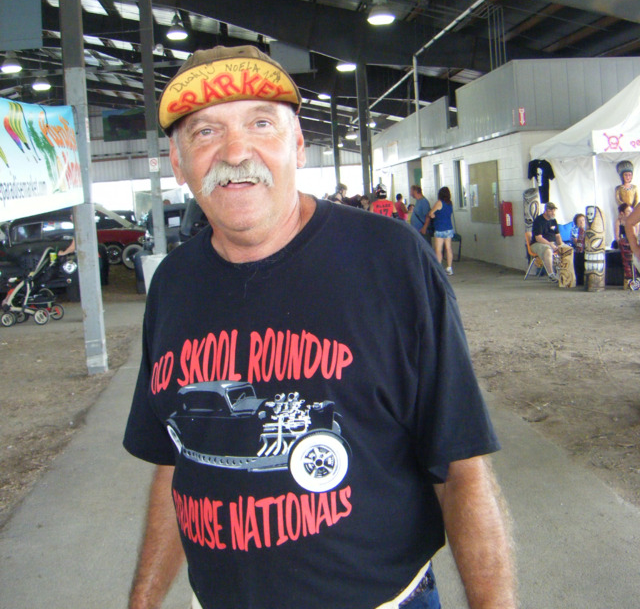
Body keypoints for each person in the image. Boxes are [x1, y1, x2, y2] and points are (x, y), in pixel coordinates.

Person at [123, 45, 516, 609]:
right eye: (206, 132)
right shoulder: (173, 283)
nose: (236, 152)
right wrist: (142, 601)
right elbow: (176, 464)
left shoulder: (391, 259)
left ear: (299, 145)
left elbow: (461, 466)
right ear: (178, 163)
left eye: (261, 123)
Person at [530, 201, 563, 282]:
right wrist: (551, 245)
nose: (553, 213)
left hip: (553, 243)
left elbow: (558, 236)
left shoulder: (554, 221)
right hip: (538, 243)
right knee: (548, 250)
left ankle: (565, 274)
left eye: (554, 210)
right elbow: (538, 238)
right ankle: (551, 274)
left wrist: (561, 245)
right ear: (545, 211)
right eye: (550, 211)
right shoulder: (538, 220)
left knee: (568, 249)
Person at [429, 186, 455, 276]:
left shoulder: (439, 203)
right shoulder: (450, 203)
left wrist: (433, 216)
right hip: (449, 228)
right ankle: (449, 267)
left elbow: (431, 213)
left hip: (440, 228)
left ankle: (439, 268)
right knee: (448, 248)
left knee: (438, 249)